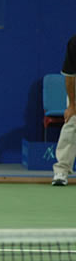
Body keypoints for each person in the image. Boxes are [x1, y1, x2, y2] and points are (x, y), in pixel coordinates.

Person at [51, 34, 76, 186]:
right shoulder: (75, 43)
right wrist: (72, 105)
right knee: (73, 121)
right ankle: (61, 171)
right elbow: (70, 75)